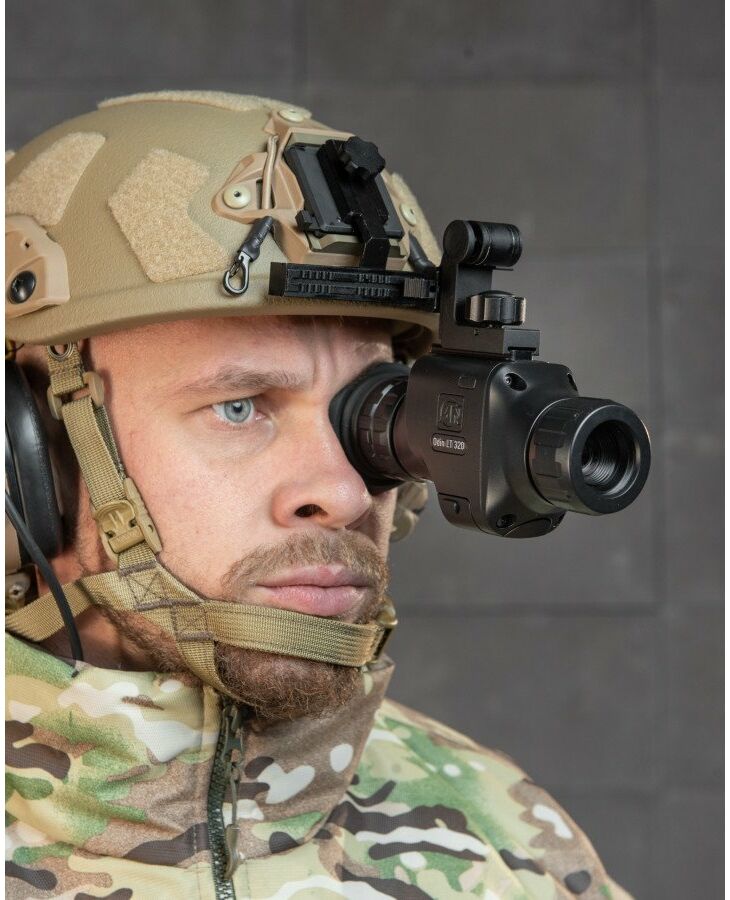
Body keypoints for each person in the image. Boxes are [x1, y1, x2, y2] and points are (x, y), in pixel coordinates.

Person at [5, 92, 631, 899]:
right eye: (240, 408)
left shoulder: (509, 844)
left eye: (375, 411)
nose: (342, 491)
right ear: (26, 452)